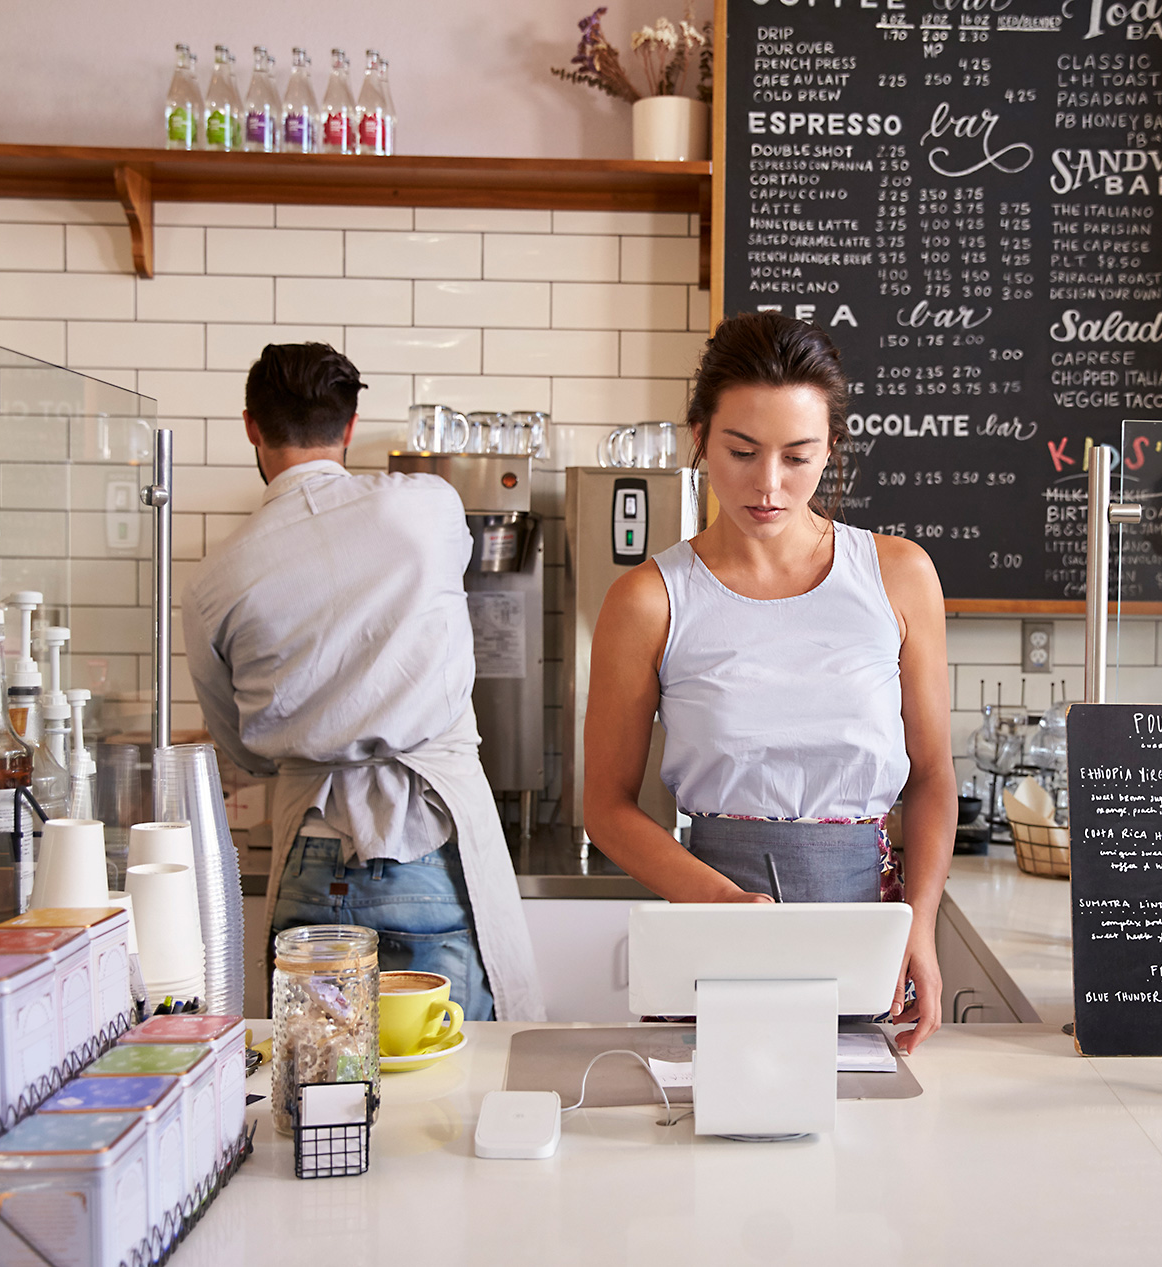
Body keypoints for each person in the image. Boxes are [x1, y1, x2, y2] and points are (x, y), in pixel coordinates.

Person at [584, 312, 955, 1052]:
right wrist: (724, 904)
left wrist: (918, 921)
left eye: (798, 455)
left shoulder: (898, 574)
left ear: (832, 449)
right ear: (700, 436)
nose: (768, 484)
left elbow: (934, 775)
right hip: (713, 928)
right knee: (709, 1139)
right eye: (743, 451)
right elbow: (606, 806)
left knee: (869, 1146)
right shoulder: (649, 599)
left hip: (867, 931)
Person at [182, 343, 543, 1021]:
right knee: (448, 1093)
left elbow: (246, 751)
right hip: (426, 849)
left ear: (251, 427)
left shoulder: (212, 581)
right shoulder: (427, 508)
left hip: (308, 860)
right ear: (349, 428)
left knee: (320, 1100)